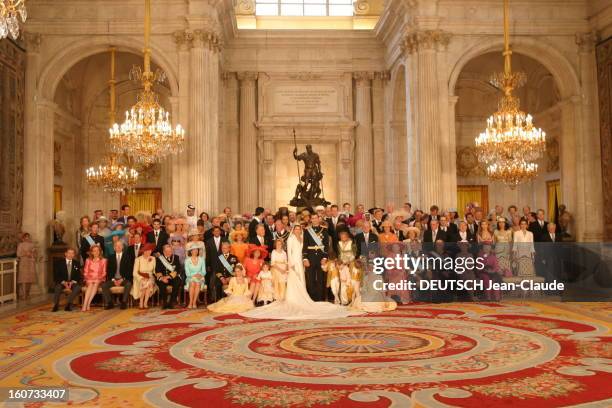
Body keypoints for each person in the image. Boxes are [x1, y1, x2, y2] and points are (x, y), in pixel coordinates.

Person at [241, 225, 361, 320]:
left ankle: (304, 296)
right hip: (294, 263)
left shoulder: (303, 238)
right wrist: (291, 265)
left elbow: (304, 250)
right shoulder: (291, 239)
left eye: (299, 229)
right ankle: (294, 298)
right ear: (293, 230)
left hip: (301, 261)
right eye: (296, 229)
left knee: (303, 280)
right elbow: (290, 252)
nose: (298, 230)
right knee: (296, 280)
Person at [302, 213, 330, 301]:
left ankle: (321, 298)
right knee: (310, 278)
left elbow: (326, 245)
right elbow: (305, 245)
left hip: (321, 257)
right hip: (310, 257)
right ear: (310, 220)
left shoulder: (324, 230)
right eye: (312, 218)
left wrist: (325, 257)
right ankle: (312, 298)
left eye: (316, 218)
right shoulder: (307, 230)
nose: (314, 220)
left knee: (321, 278)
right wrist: (305, 258)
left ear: (319, 219)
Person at [102, 240, 133, 309]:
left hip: (124, 279)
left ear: (122, 247)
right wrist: (113, 280)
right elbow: (109, 271)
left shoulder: (127, 257)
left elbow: (129, 270)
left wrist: (122, 279)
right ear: (114, 248)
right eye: (116, 246)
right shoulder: (110, 257)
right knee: (104, 285)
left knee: (128, 284)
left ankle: (124, 302)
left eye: (120, 245)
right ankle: (110, 303)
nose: (118, 247)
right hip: (113, 279)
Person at [52, 247, 81, 312]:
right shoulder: (58, 263)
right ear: (65, 254)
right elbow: (56, 275)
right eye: (69, 253)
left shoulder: (76, 263)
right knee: (58, 287)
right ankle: (55, 305)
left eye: (72, 253)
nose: (70, 255)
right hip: (61, 282)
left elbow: (78, 275)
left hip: (72, 282)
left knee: (78, 287)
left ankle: (68, 304)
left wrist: (72, 282)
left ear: (74, 255)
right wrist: (64, 282)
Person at [156, 244, 182, 309]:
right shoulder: (159, 259)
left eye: (170, 251)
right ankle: (164, 302)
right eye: (166, 251)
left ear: (172, 251)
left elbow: (178, 269)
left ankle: (172, 301)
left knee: (177, 281)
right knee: (161, 284)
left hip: (172, 277)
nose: (168, 253)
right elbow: (157, 270)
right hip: (163, 277)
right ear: (163, 251)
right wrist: (162, 278)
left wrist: (169, 276)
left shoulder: (176, 257)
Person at [82, 244, 107, 311]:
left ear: (100, 252)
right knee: (90, 285)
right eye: (94, 251)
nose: (96, 252)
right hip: (89, 279)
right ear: (92, 252)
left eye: (97, 251)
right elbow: (85, 271)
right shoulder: (88, 260)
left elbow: (104, 272)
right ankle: (85, 304)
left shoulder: (104, 260)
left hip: (99, 278)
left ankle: (88, 304)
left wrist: (98, 278)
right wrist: (87, 278)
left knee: (95, 284)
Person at [132, 243, 157, 309]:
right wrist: (141, 278)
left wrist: (156, 276)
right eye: (147, 250)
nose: (149, 252)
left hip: (150, 276)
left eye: (150, 250)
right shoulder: (138, 259)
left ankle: (145, 302)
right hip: (139, 277)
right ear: (143, 251)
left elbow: (154, 271)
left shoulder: (153, 258)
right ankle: (141, 302)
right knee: (145, 282)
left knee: (148, 282)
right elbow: (134, 273)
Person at [184, 242, 206, 309]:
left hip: (200, 277)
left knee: (197, 283)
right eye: (193, 250)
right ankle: (191, 302)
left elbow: (204, 271)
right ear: (191, 251)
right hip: (190, 277)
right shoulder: (187, 260)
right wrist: (194, 275)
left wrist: (200, 274)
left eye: (196, 250)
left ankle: (194, 303)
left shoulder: (202, 259)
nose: (195, 251)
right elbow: (187, 273)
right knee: (193, 283)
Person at [16, 233, 37, 300]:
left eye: (28, 237)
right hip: (23, 263)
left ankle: (28, 294)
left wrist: (32, 253)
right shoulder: (20, 245)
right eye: (26, 237)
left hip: (30, 262)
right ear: (23, 238)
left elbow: (36, 254)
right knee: (23, 278)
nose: (27, 238)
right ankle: (24, 295)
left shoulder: (32, 245)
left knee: (30, 279)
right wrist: (25, 253)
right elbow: (18, 254)